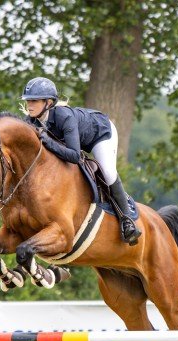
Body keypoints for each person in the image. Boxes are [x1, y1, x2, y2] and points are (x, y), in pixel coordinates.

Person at [20, 77, 141, 245]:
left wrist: (47, 141)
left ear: (48, 102)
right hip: (77, 139)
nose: (29, 105)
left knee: (107, 172)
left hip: (100, 132)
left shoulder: (64, 117)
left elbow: (75, 156)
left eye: (34, 101)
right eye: (28, 101)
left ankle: (127, 219)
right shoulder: (30, 121)